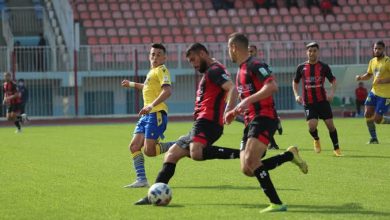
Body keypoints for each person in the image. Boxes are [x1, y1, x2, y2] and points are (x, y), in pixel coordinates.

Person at [134, 43, 243, 205]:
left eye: (194, 59)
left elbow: (233, 88)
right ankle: (152, 196)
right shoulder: (211, 70)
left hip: (209, 122)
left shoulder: (214, 70)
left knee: (196, 152)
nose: (193, 64)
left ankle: (243, 153)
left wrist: (229, 110)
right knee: (171, 155)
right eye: (190, 61)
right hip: (200, 122)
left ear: (202, 53)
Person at [224, 33, 308, 213]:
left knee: (252, 160)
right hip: (250, 121)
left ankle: (277, 203)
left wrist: (246, 102)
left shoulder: (256, 65)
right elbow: (246, 97)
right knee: (247, 169)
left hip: (264, 116)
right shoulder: (240, 71)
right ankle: (289, 156)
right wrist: (234, 111)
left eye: (228, 49)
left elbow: (272, 87)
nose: (228, 53)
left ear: (233, 48)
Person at [121, 43, 174, 188]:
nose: (155, 57)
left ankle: (179, 145)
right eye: (153, 54)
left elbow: (167, 91)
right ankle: (142, 180)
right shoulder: (152, 72)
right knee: (134, 146)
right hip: (146, 115)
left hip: (156, 113)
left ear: (164, 57)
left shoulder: (162, 70)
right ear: (149, 56)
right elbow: (146, 87)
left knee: (149, 151)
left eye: (158, 54)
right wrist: (131, 84)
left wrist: (151, 105)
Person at [292, 42, 342, 157]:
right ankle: (316, 139)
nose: (312, 53)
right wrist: (296, 94)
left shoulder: (324, 67)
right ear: (306, 52)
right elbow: (295, 82)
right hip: (309, 102)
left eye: (314, 51)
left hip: (322, 101)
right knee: (312, 126)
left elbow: (333, 80)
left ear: (318, 52)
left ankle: (336, 148)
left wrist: (332, 93)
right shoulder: (301, 67)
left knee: (330, 125)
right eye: (310, 51)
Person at [248, 44, 283, 150]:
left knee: (262, 122)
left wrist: (268, 88)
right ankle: (273, 141)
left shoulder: (261, 65)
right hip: (254, 98)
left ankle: (276, 126)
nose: (250, 54)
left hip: (263, 97)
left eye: (252, 51)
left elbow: (271, 77)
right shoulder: (245, 67)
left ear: (256, 52)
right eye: (248, 52)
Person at [356, 40, 390, 144]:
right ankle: (374, 138)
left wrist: (383, 81)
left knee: (377, 119)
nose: (377, 50)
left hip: (385, 95)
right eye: (375, 48)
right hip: (374, 92)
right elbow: (369, 74)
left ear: (383, 49)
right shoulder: (372, 61)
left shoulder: (387, 61)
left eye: (379, 48)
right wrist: (361, 77)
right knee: (367, 113)